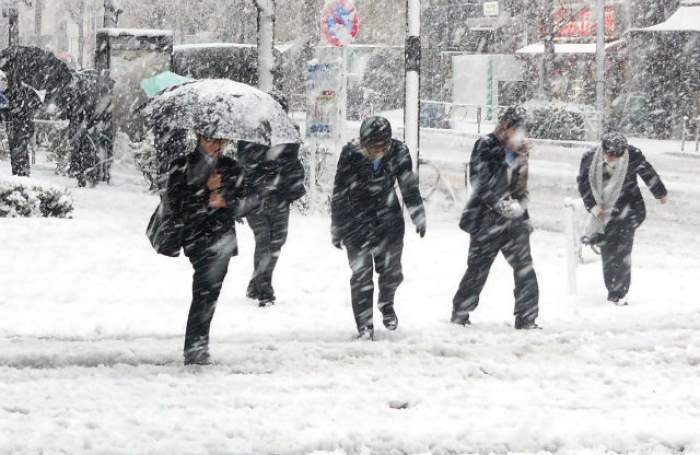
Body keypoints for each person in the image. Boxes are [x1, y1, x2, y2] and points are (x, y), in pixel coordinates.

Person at [166, 130, 257, 365]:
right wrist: (205, 191)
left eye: (222, 140)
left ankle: (198, 344)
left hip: (222, 238)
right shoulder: (183, 165)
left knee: (208, 294)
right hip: (197, 237)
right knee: (204, 291)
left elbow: (246, 202)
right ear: (198, 137)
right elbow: (177, 205)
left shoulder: (231, 167)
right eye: (211, 140)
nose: (217, 146)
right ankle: (195, 347)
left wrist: (226, 199)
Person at [331, 116, 426, 340]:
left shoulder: (399, 151)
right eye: (371, 146)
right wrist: (336, 226)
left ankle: (386, 302)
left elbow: (408, 185)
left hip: (388, 221)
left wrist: (418, 214)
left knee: (392, 273)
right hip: (356, 221)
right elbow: (339, 191)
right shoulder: (350, 153)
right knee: (361, 276)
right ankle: (365, 325)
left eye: (381, 145)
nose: (376, 150)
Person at [452, 106, 540, 330]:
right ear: (505, 127)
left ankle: (527, 317)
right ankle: (460, 314)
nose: (521, 136)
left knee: (525, 268)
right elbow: (479, 180)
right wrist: (499, 203)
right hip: (486, 219)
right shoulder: (486, 145)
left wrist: (521, 206)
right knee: (477, 269)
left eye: (524, 132)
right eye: (518, 131)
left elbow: (520, 186)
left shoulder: (521, 151)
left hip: (515, 221)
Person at [577, 132, 668, 306]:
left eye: (617, 156)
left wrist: (660, 193)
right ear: (603, 149)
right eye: (610, 155)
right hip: (604, 213)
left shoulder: (631, 154)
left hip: (629, 209)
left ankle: (620, 293)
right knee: (608, 252)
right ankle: (613, 290)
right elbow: (583, 183)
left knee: (623, 252)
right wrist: (594, 207)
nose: (612, 159)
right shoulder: (589, 158)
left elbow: (647, 173)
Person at [238, 92, 306, 307]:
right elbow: (247, 164)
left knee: (277, 241)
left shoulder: (290, 132)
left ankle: (257, 281)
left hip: (280, 196)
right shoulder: (249, 131)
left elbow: (292, 162)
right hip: (256, 196)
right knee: (264, 239)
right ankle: (264, 288)